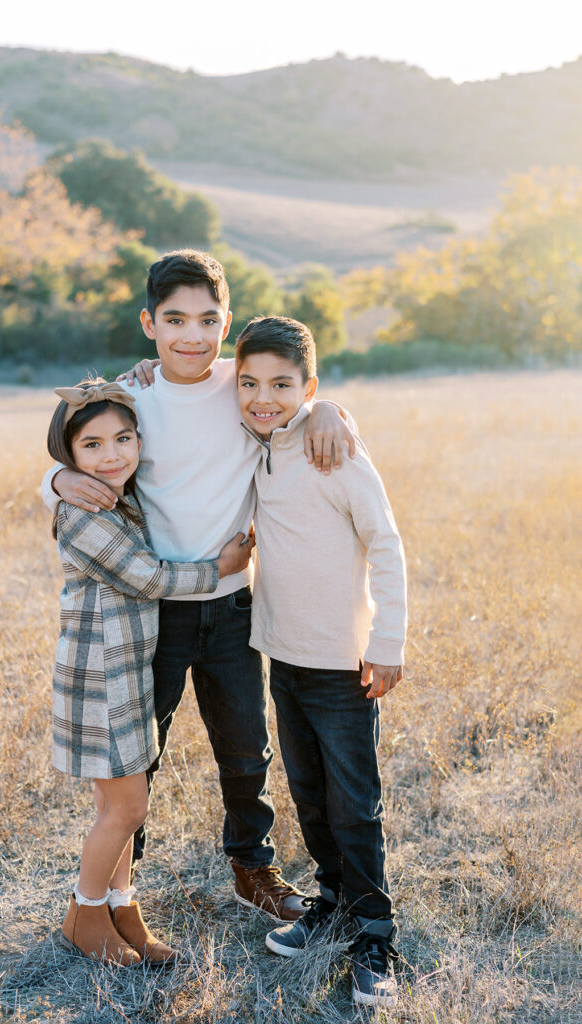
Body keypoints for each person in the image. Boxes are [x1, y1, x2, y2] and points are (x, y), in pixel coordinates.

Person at [43, 250, 358, 921]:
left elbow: (296, 394)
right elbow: (79, 449)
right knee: (139, 757)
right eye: (175, 318)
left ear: (228, 322)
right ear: (149, 322)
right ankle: (123, 890)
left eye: (208, 319)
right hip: (153, 612)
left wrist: (331, 407)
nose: (192, 333)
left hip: (234, 607)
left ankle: (254, 866)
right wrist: (51, 480)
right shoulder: (133, 398)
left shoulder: (242, 388)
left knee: (246, 748)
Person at [47, 378, 254, 965]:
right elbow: (151, 577)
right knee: (126, 810)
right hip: (99, 681)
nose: (111, 454)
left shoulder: (120, 497)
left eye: (123, 438)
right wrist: (221, 568)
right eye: (92, 445)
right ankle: (84, 915)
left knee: (121, 805)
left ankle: (122, 906)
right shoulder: (83, 514)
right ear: (69, 456)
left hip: (127, 675)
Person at [234, 316, 407, 1010]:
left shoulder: (337, 452)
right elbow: (204, 383)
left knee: (354, 803)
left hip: (343, 664)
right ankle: (333, 902)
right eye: (249, 383)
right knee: (308, 791)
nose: (262, 397)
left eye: (282, 385)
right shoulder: (256, 443)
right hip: (286, 655)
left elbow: (386, 545)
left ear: (309, 387)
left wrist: (388, 641)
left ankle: (374, 933)